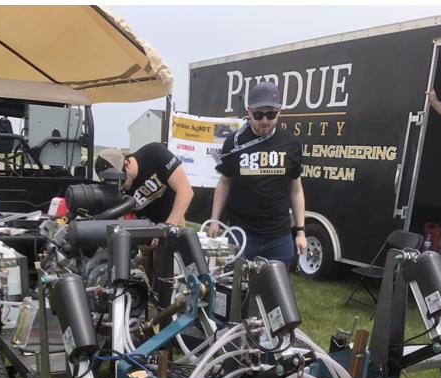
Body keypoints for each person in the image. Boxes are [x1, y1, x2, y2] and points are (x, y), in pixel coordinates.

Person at [208, 81, 306, 267]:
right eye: (259, 114)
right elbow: (224, 183)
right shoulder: (233, 143)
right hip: (241, 233)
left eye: (271, 114)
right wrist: (214, 220)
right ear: (249, 111)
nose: (265, 121)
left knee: (275, 293)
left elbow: (296, 189)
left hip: (279, 236)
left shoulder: (291, 144)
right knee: (235, 291)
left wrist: (300, 231)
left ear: (280, 111)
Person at [95, 143, 194, 227]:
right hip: (147, 228)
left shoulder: (155, 153)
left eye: (122, 182)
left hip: (173, 219)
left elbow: (185, 191)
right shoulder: (120, 186)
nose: (121, 188)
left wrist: (169, 227)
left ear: (127, 164)